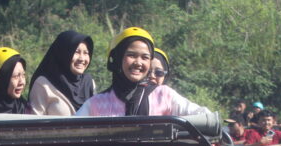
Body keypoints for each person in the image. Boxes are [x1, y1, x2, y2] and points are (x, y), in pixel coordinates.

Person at [76, 27, 209, 117]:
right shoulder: (96, 103)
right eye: (131, 55)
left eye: (145, 57)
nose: (138, 62)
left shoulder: (163, 95)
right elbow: (70, 130)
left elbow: (202, 115)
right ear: (117, 59)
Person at [28, 30, 96, 115]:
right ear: (64, 53)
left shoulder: (89, 83)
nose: (82, 59)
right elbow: (34, 125)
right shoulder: (43, 85)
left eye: (86, 53)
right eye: (76, 52)